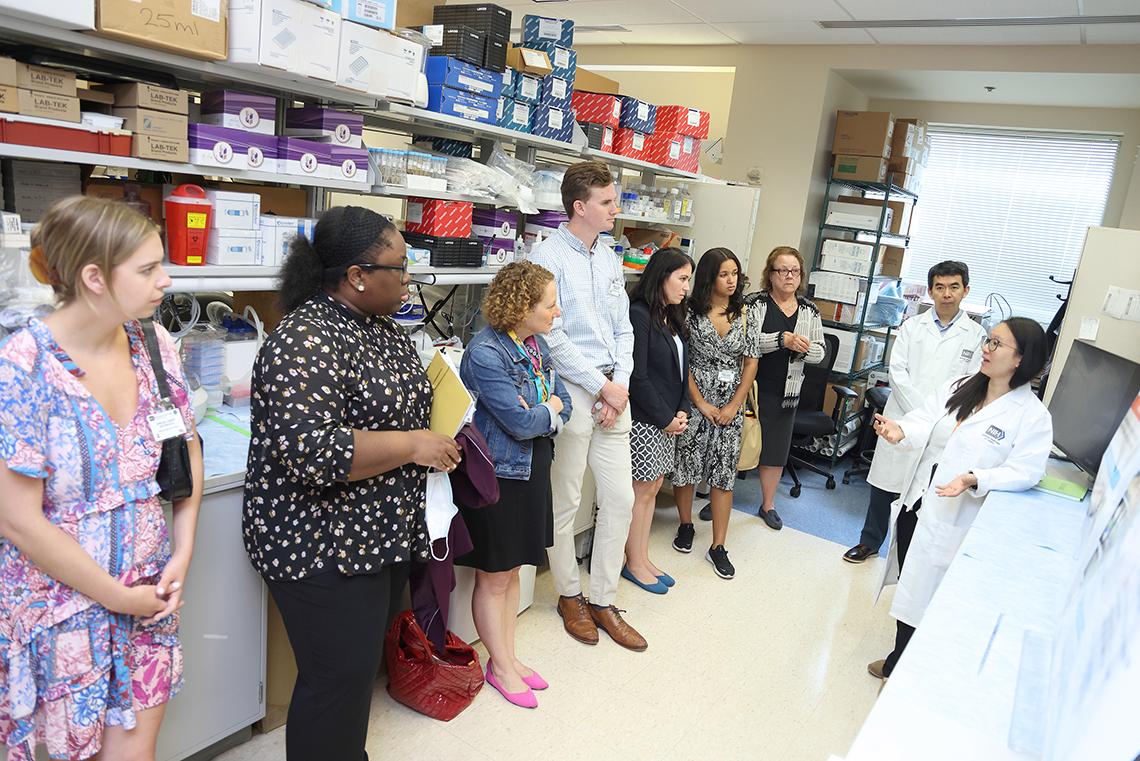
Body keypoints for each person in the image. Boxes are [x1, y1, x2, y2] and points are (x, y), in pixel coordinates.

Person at [242, 206, 460, 760]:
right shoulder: (305, 340)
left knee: (357, 670)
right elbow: (315, 452)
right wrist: (414, 443)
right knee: (335, 678)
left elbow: (395, 404)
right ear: (357, 275)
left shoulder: (380, 327)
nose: (409, 277)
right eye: (400, 266)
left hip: (374, 534)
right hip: (319, 544)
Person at [0, 196, 202, 761]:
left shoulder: (154, 346)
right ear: (94, 277)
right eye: (146, 269)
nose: (165, 279)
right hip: (63, 610)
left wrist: (183, 551)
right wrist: (117, 596)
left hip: (151, 597)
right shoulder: (23, 366)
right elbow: (17, 519)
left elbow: (185, 447)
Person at [867, 317, 1051, 679]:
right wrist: (900, 428)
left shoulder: (1032, 417)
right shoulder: (962, 386)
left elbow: (1027, 471)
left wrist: (976, 478)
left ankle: (916, 670)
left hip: (960, 520)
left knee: (939, 599)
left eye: (997, 344)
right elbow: (926, 418)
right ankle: (899, 659)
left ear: (1020, 359)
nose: (986, 348)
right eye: (988, 341)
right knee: (912, 584)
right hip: (919, 503)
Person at [528, 161, 646, 651]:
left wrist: (618, 384)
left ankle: (603, 597)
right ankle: (569, 595)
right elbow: (550, 335)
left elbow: (624, 327)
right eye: (606, 201)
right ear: (580, 207)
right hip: (573, 388)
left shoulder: (610, 256)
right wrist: (601, 386)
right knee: (568, 498)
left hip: (612, 391)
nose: (615, 208)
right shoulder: (547, 256)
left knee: (620, 497)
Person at [455, 261, 572, 709]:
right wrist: (550, 407)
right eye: (549, 304)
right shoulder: (486, 353)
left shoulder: (535, 346)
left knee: (514, 573)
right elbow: (522, 425)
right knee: (495, 576)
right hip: (500, 478)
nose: (556, 312)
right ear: (522, 307)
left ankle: (509, 657)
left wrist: (547, 407)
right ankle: (499, 666)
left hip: (531, 474)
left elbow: (562, 410)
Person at [844, 261, 986, 563]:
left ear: (966, 290)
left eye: (954, 287)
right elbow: (897, 372)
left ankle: (909, 555)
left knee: (926, 492)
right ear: (930, 291)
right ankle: (870, 542)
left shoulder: (975, 336)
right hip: (904, 415)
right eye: (940, 287)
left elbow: (972, 381)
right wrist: (924, 412)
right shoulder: (911, 327)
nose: (946, 294)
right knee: (885, 485)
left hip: (944, 424)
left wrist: (935, 416)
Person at [671, 248, 759, 579]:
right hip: (695, 400)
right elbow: (684, 361)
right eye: (724, 274)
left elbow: (751, 361)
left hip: (731, 403)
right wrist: (701, 403)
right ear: (709, 276)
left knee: (724, 474)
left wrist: (735, 404)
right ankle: (685, 524)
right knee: (686, 466)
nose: (732, 280)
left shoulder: (746, 313)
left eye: (735, 273)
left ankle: (718, 546)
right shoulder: (689, 313)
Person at [624, 248, 694, 593]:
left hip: (668, 420)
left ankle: (642, 556)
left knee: (652, 489)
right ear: (662, 276)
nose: (685, 287)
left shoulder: (671, 316)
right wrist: (665, 417)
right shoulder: (639, 315)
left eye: (688, 280)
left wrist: (681, 410)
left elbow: (682, 372)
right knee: (641, 491)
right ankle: (633, 563)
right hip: (645, 418)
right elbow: (638, 377)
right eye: (681, 279)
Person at [743, 246, 825, 531]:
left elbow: (820, 353)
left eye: (795, 271)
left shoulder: (810, 311)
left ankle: (768, 505)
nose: (789, 276)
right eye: (782, 270)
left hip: (786, 392)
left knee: (775, 452)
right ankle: (719, 497)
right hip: (750, 390)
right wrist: (782, 340)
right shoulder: (754, 304)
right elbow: (746, 342)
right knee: (737, 446)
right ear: (770, 274)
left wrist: (804, 349)